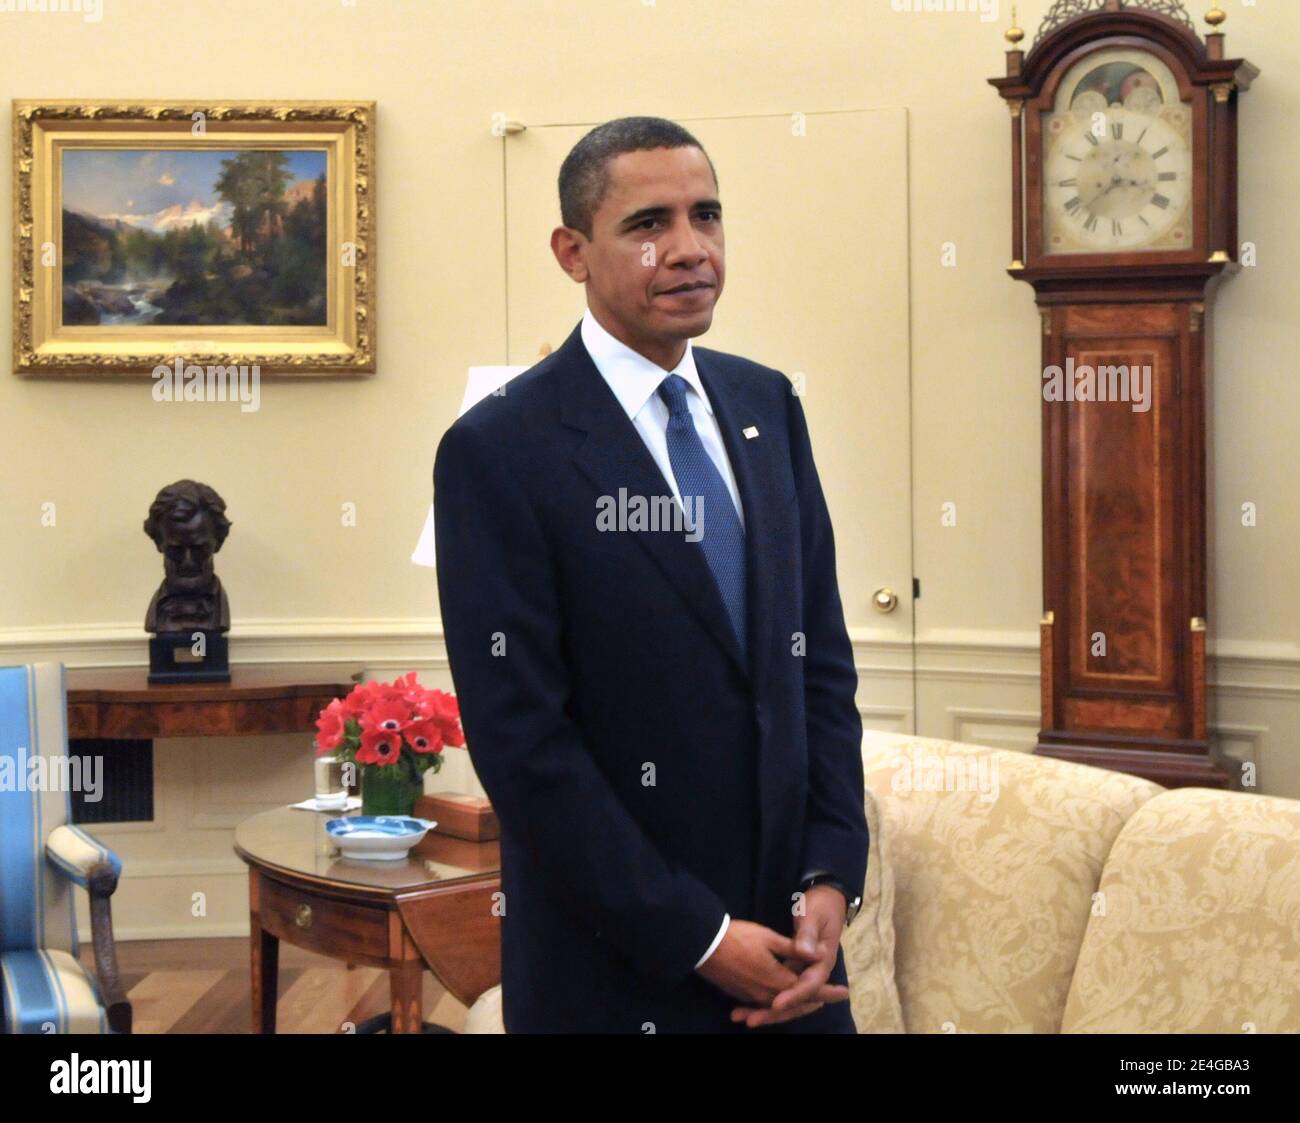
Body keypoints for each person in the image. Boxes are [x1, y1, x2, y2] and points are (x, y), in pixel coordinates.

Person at [433, 116, 867, 1033]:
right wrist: (701, 937)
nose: (688, 249)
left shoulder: (767, 404)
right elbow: (523, 745)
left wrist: (831, 873)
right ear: (572, 251)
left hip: (797, 972)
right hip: (617, 972)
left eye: (705, 217)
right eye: (648, 225)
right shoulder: (500, 447)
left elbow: (818, 664)